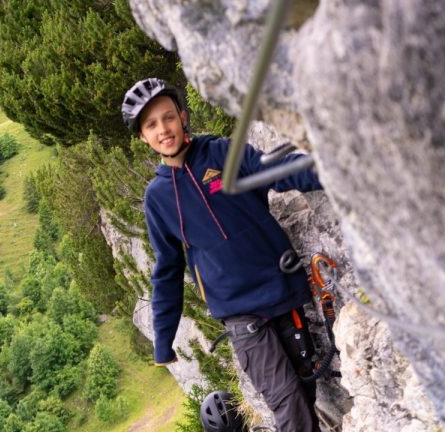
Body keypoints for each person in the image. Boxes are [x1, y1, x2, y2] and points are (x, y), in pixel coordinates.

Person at [122, 77, 325, 432]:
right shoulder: (158, 198)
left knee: (305, 392)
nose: (163, 129)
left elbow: (277, 171)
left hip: (281, 292)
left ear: (183, 117)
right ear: (143, 136)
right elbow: (167, 270)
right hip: (240, 314)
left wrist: (337, 172)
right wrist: (163, 341)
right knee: (288, 403)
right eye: (151, 125)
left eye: (168, 117)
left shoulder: (222, 155)